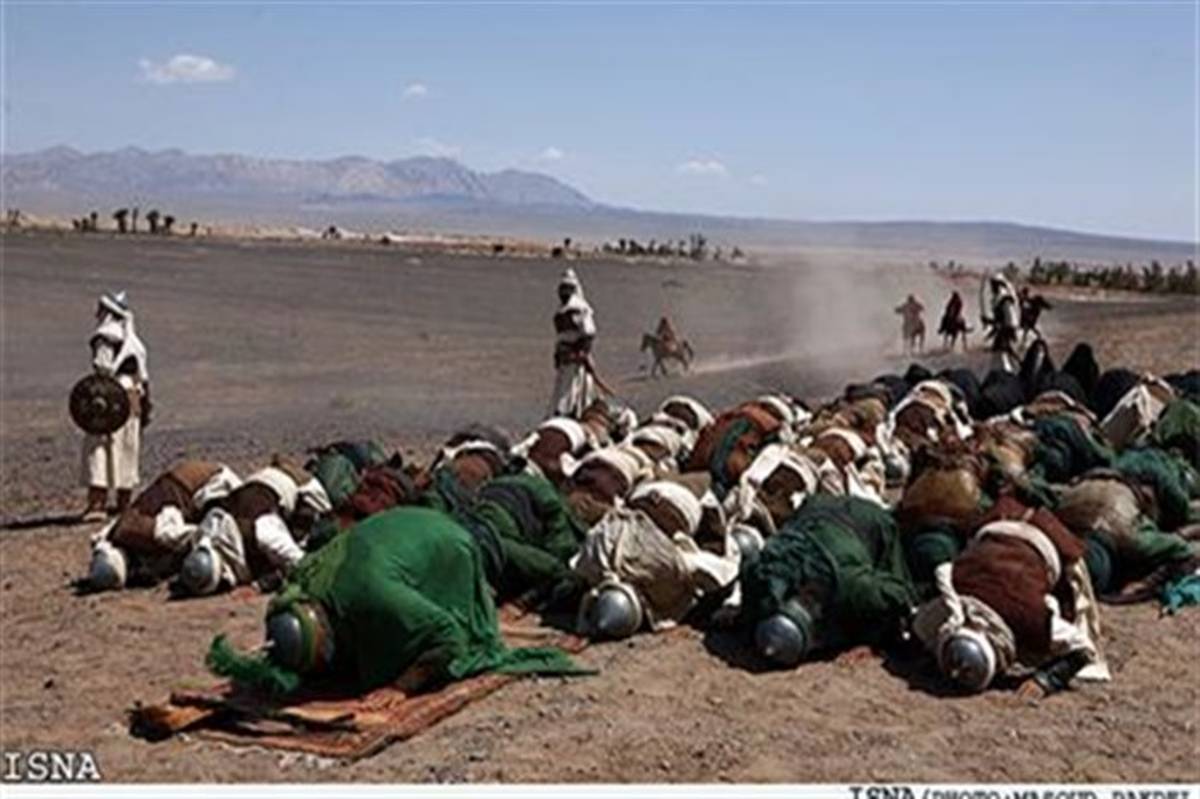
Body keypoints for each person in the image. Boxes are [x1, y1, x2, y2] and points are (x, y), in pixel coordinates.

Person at [206, 506, 586, 697]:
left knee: (461, 629)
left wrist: (401, 686)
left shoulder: (372, 596)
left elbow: (446, 636)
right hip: (400, 530)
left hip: (448, 543)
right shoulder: (302, 586)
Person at [911, 496, 1109, 698]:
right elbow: (1081, 649)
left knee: (1096, 565)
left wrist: (1047, 680)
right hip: (998, 520)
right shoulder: (951, 599)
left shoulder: (1030, 619)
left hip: (1049, 537)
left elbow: (1083, 649)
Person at [738, 494, 917, 668]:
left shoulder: (852, 585)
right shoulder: (765, 580)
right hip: (815, 507)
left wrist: (873, 639)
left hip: (869, 519)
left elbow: (900, 595)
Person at [86, 460, 241, 591]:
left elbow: (191, 534)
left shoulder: (148, 531)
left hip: (209, 482)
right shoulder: (118, 533)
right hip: (186, 482)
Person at [80, 291, 150, 521]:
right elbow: (143, 375)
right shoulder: (134, 340)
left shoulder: (106, 336)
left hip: (109, 396)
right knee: (127, 448)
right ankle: (124, 502)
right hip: (132, 397)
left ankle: (97, 505)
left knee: (99, 448)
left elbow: (103, 366)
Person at [550, 268, 600, 418]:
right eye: (562, 288)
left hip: (576, 358)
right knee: (562, 389)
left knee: (575, 390)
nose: (563, 292)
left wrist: (580, 353)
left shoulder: (579, 309)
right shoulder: (561, 311)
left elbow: (589, 333)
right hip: (565, 358)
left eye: (567, 288)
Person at [981, 275, 1020, 372]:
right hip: (1002, 333)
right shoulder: (997, 299)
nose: (992, 287)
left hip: (1005, 334)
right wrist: (988, 321)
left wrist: (991, 322)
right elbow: (999, 320)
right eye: (991, 285)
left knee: (1003, 358)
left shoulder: (1005, 300)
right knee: (999, 358)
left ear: (999, 285)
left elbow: (1010, 320)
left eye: (993, 285)